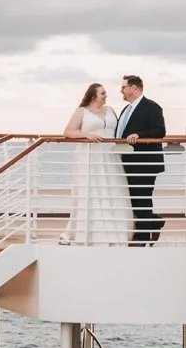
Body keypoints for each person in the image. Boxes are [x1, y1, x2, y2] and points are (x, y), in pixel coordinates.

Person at [61, 83, 131, 245]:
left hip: (110, 155)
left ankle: (115, 231)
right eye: (102, 93)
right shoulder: (82, 111)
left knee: (113, 189)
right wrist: (86, 134)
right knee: (91, 191)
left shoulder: (111, 110)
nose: (106, 96)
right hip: (90, 156)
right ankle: (93, 233)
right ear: (93, 96)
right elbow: (68, 131)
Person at [114, 74, 167, 244]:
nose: (121, 90)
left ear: (134, 88)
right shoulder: (126, 109)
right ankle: (153, 222)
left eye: (123, 87)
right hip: (128, 161)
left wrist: (139, 135)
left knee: (142, 197)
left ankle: (143, 236)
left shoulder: (151, 107)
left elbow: (159, 130)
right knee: (133, 197)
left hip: (144, 162)